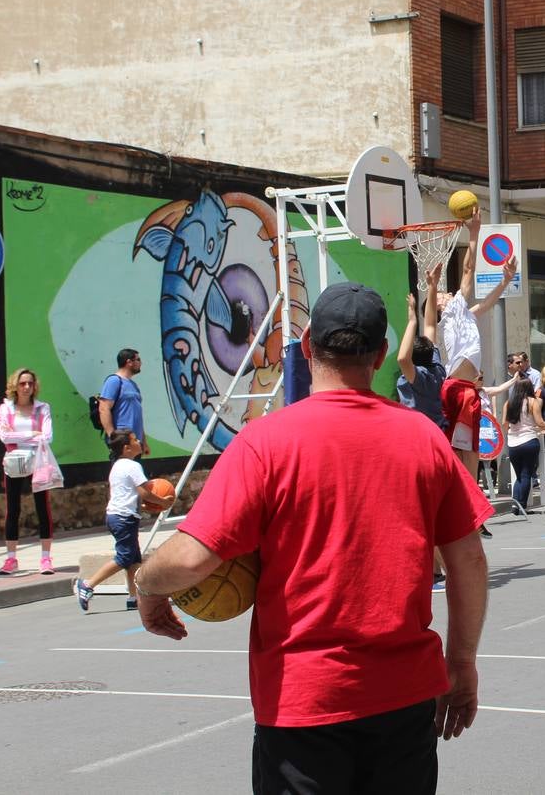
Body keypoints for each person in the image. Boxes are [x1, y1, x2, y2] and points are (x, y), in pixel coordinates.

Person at [133, 281, 493, 792]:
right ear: (382, 355)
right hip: (405, 698)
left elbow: (192, 560)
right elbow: (469, 562)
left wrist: (147, 585)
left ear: (307, 348)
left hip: (303, 703)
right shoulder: (423, 439)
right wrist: (460, 662)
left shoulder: (265, 442)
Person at [439, 210, 517, 482]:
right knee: (457, 450)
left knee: (470, 450)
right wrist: (473, 233)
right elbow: (469, 269)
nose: (448, 294)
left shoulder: (465, 313)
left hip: (469, 389)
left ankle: (471, 502)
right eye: (442, 294)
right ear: (440, 305)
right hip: (457, 388)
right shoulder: (451, 312)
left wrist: (506, 280)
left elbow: (487, 303)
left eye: (447, 292)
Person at [75, 430, 171, 611]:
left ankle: (134, 598)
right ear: (127, 448)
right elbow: (144, 492)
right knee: (124, 557)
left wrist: (142, 507)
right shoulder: (133, 466)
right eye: (135, 439)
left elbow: (124, 494)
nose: (139, 441)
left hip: (117, 515)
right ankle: (88, 584)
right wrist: (162, 502)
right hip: (123, 519)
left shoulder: (117, 465)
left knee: (134, 560)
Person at [0, 368, 57, 575]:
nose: (27, 387)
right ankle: (11, 559)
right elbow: (4, 437)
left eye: (30, 383)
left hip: (38, 460)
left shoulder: (42, 408)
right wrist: (33, 433)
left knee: (43, 506)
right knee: (12, 508)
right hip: (14, 461)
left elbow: (47, 437)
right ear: (15, 385)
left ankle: (45, 558)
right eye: (22, 383)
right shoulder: (6, 408)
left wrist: (19, 436)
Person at [396, 271, 448, 432]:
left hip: (420, 432)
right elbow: (431, 325)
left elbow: (402, 359)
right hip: (438, 429)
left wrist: (412, 321)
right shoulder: (437, 367)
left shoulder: (418, 376)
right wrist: (432, 286)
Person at [502, 378, 545, 515]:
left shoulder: (508, 403)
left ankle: (515, 506)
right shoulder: (532, 402)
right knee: (526, 475)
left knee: (519, 476)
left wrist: (511, 433)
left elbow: (505, 425)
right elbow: (540, 422)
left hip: (513, 443)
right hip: (529, 441)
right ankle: (521, 506)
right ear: (529, 388)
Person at [98, 347, 147, 456]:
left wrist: (143, 441)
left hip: (135, 441)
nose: (141, 363)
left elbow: (137, 414)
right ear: (129, 362)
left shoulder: (133, 385)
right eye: (138, 360)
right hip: (122, 441)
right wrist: (113, 437)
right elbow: (104, 408)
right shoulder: (114, 381)